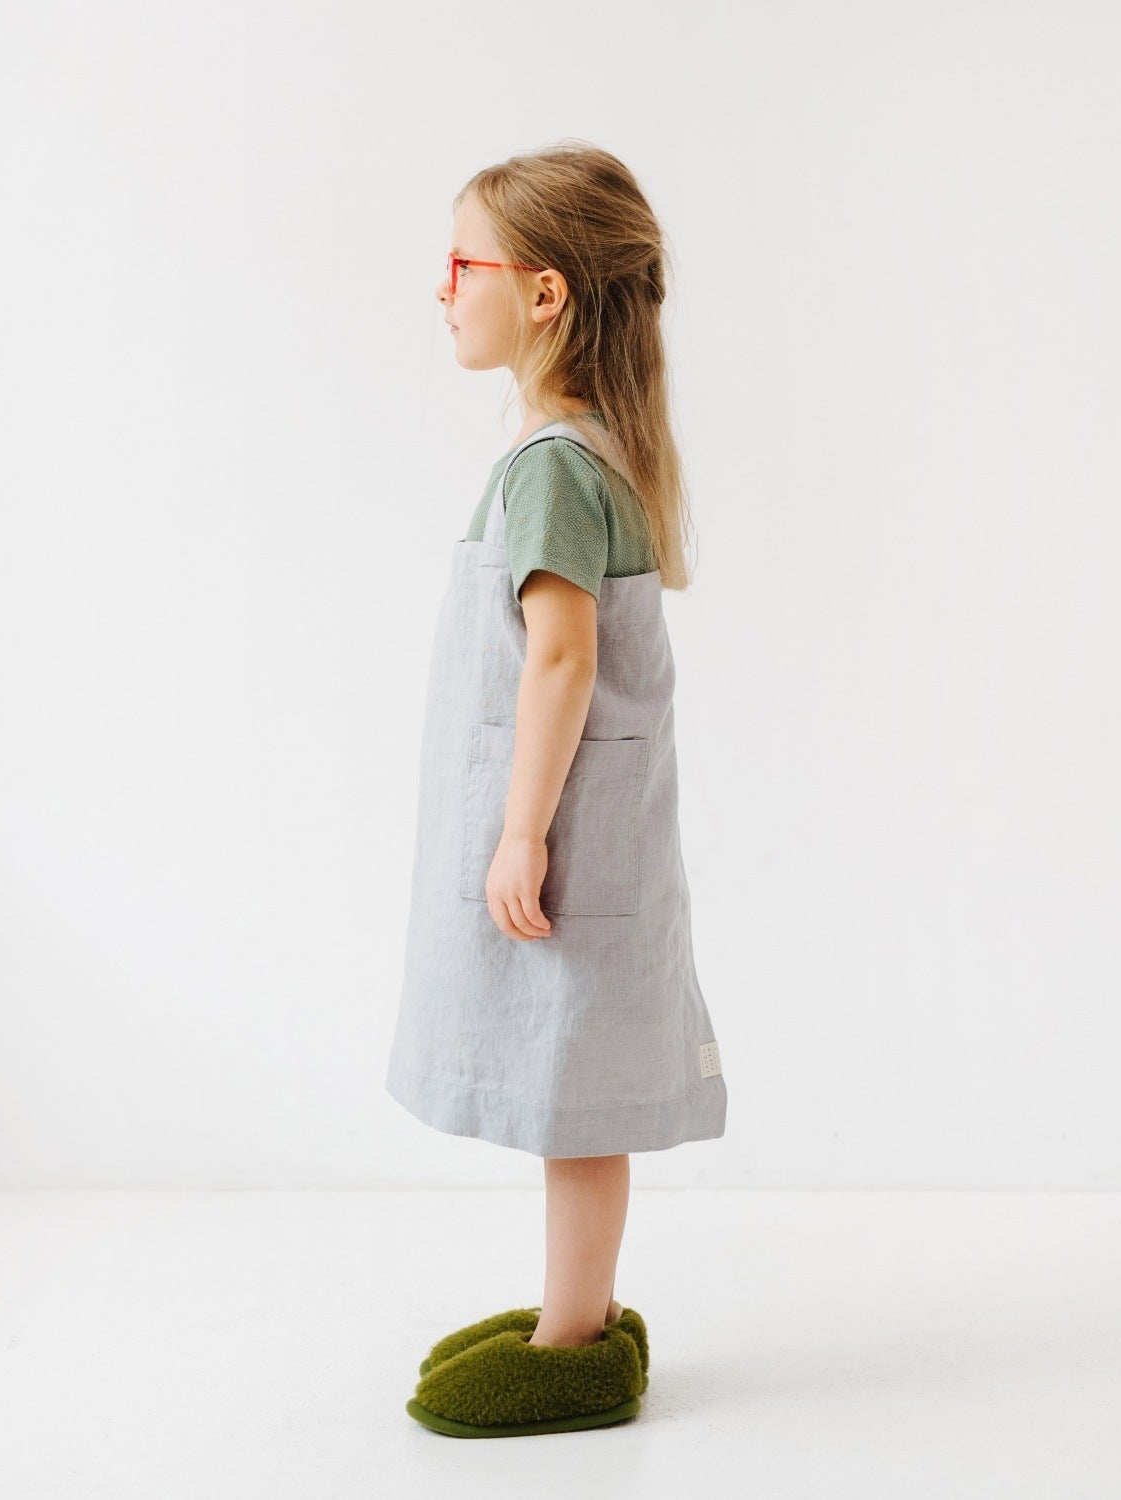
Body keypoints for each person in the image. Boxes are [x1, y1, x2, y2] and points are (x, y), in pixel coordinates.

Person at [385, 139, 727, 1438]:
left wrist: (521, 829)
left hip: (572, 837)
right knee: (569, 1078)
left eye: (461, 263)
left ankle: (575, 1345)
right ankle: (570, 1314)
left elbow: (564, 657)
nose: (443, 291)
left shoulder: (551, 470)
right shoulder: (582, 454)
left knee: (573, 1085)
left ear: (542, 295)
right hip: (602, 833)